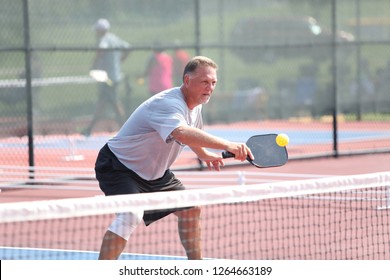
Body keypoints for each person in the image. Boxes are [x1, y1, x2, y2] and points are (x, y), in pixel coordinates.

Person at [95, 56, 254, 260]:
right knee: (130, 214)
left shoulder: (197, 103)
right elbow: (181, 133)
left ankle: (196, 267)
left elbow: (192, 131)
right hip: (119, 166)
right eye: (205, 82)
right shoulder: (168, 104)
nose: (210, 87)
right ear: (187, 80)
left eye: (213, 82)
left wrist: (204, 154)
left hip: (155, 173)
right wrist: (228, 145)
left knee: (191, 209)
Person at [84, 18, 131, 136]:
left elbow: (101, 50)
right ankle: (89, 129)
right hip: (113, 76)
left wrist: (94, 65)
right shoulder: (114, 38)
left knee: (113, 103)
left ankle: (127, 129)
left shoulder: (104, 39)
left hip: (108, 78)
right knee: (103, 102)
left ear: (101, 30)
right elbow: (127, 47)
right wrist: (120, 60)